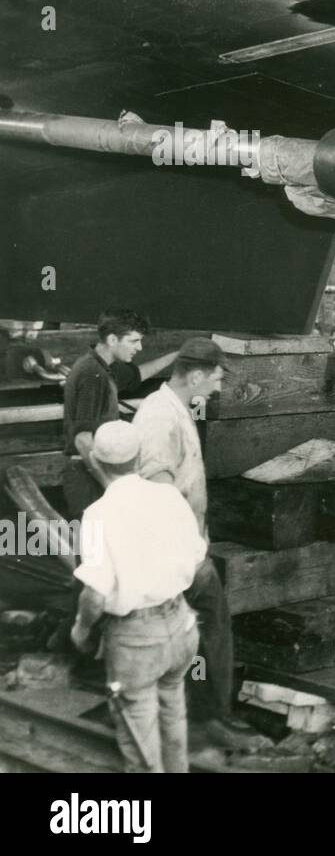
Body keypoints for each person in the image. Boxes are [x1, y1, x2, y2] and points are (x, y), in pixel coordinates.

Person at [132, 337, 255, 752]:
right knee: (208, 628)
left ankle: (200, 715)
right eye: (216, 380)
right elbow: (157, 489)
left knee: (201, 632)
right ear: (197, 375)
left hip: (185, 549)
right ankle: (207, 718)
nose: (217, 389)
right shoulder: (158, 418)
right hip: (172, 553)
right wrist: (184, 550)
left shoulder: (173, 410)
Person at [71, 422, 207, 772]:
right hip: (182, 626)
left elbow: (95, 595)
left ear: (96, 464)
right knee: (173, 715)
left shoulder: (98, 515)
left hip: (136, 642)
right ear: (139, 457)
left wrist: (82, 630)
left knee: (141, 744)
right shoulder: (170, 497)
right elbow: (197, 555)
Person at [61, 309, 177, 520]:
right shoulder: (93, 375)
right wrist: (112, 484)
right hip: (87, 476)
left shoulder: (103, 366)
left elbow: (138, 375)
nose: (139, 348)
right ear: (113, 339)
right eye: (134, 341)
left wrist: (176, 356)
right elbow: (82, 439)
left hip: (93, 470)